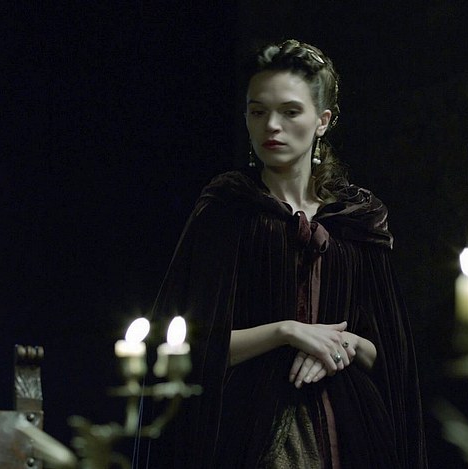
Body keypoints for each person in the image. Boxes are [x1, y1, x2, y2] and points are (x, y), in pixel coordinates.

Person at [146, 39, 427, 468]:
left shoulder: (358, 218)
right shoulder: (227, 209)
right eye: (258, 112)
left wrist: (345, 344)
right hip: (247, 432)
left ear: (322, 121)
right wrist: (286, 332)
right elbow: (181, 345)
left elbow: (391, 357)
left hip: (354, 432)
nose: (271, 126)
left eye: (290, 111)